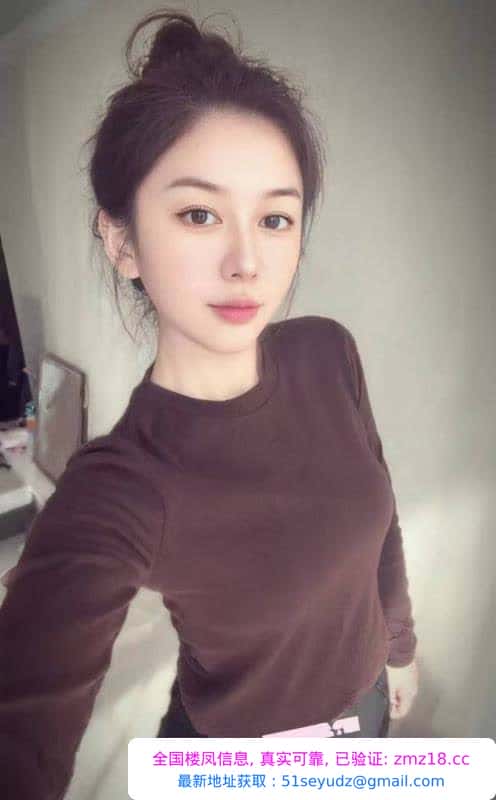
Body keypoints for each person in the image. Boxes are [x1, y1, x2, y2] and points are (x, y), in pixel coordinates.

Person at [0, 7, 419, 798]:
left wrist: (398, 650)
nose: (246, 261)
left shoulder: (327, 352)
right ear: (122, 241)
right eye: (199, 214)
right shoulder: (120, 488)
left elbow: (381, 512)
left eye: (275, 218)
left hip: (368, 713)